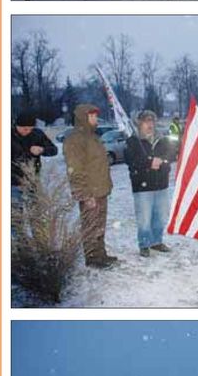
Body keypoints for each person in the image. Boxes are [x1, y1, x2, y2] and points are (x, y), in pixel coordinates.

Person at [63, 103, 119, 268]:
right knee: (90, 227)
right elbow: (76, 170)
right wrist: (85, 195)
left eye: (95, 115)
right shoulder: (75, 139)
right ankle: (93, 259)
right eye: (92, 116)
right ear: (83, 117)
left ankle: (101, 255)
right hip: (90, 193)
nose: (96, 119)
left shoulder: (93, 137)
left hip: (101, 190)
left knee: (99, 226)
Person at [125, 110, 175, 258]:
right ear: (139, 123)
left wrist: (163, 163)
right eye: (146, 121)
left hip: (161, 184)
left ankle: (156, 241)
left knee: (160, 216)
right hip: (142, 186)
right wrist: (149, 163)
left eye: (152, 121)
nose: (150, 124)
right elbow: (131, 161)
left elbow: (171, 155)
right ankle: (144, 244)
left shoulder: (163, 139)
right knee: (144, 218)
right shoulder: (133, 141)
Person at [10, 112, 58, 191]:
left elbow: (54, 150)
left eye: (31, 128)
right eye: (25, 129)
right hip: (12, 182)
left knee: (37, 202)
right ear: (17, 126)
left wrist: (42, 150)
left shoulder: (37, 134)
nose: (28, 131)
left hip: (33, 180)